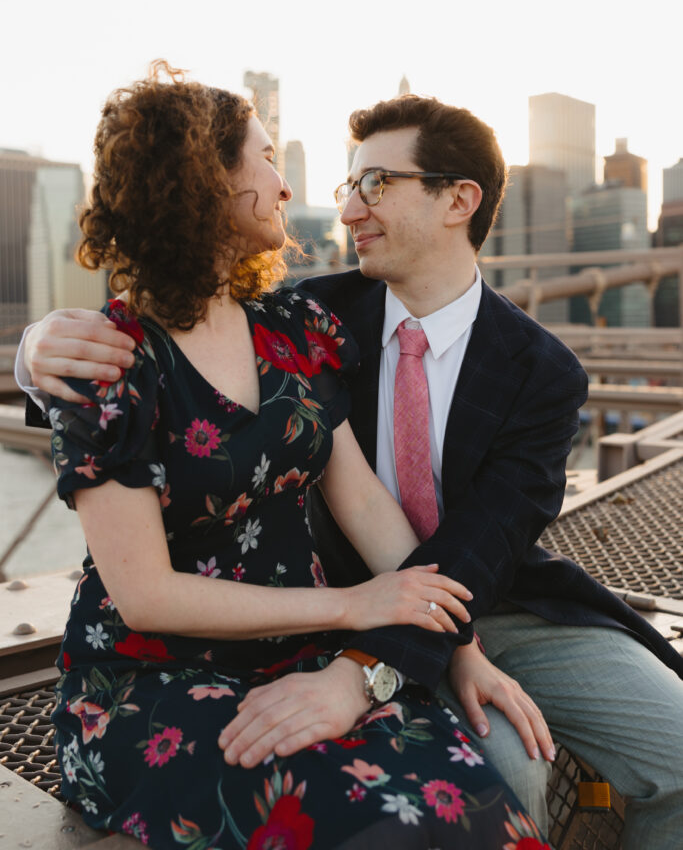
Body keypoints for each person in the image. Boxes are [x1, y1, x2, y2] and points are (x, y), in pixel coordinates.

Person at [21, 91, 683, 850]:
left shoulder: (535, 371)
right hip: (305, 622)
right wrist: (36, 349)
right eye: (345, 183)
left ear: (457, 200)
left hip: (467, 602)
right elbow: (151, 357)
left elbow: (463, 537)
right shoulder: (314, 311)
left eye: (376, 184)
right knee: (499, 780)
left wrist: (407, 654)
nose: (340, 207)